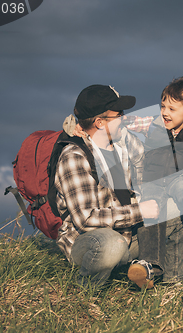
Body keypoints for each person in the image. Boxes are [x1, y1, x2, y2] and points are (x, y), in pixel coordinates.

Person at [55, 84, 159, 288]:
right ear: (100, 122)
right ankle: (86, 291)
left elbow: (147, 169)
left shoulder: (123, 142)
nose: (124, 118)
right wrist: (140, 211)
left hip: (127, 233)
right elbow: (86, 219)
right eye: (119, 114)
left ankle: (143, 270)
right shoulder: (74, 157)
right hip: (88, 241)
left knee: (178, 218)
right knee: (112, 245)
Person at [125, 75, 183, 289]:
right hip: (154, 181)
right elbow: (125, 123)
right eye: (163, 106)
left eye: (172, 109)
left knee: (181, 191)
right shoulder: (152, 124)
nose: (165, 113)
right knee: (151, 211)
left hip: (180, 179)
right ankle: (148, 267)